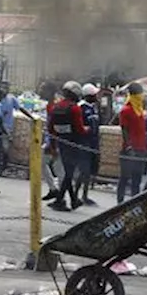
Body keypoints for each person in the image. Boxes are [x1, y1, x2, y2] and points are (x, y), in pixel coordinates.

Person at [47, 81, 88, 212]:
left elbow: (50, 128)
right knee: (69, 173)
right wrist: (89, 129)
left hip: (61, 142)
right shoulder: (75, 108)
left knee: (68, 173)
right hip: (73, 143)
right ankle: (59, 200)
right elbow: (80, 130)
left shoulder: (56, 107)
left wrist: (53, 146)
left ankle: (73, 200)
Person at [117, 82, 147, 204]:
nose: (141, 96)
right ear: (134, 94)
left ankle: (134, 203)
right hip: (129, 150)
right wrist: (129, 147)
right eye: (140, 93)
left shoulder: (140, 110)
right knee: (124, 178)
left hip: (141, 150)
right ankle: (119, 203)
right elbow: (124, 130)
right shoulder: (126, 110)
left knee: (137, 179)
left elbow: (142, 132)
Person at [77, 83, 102, 206]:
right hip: (84, 142)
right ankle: (76, 194)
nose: (97, 96)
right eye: (94, 94)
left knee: (91, 170)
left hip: (94, 142)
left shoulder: (94, 108)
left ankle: (85, 195)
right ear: (89, 95)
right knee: (84, 171)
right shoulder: (81, 108)